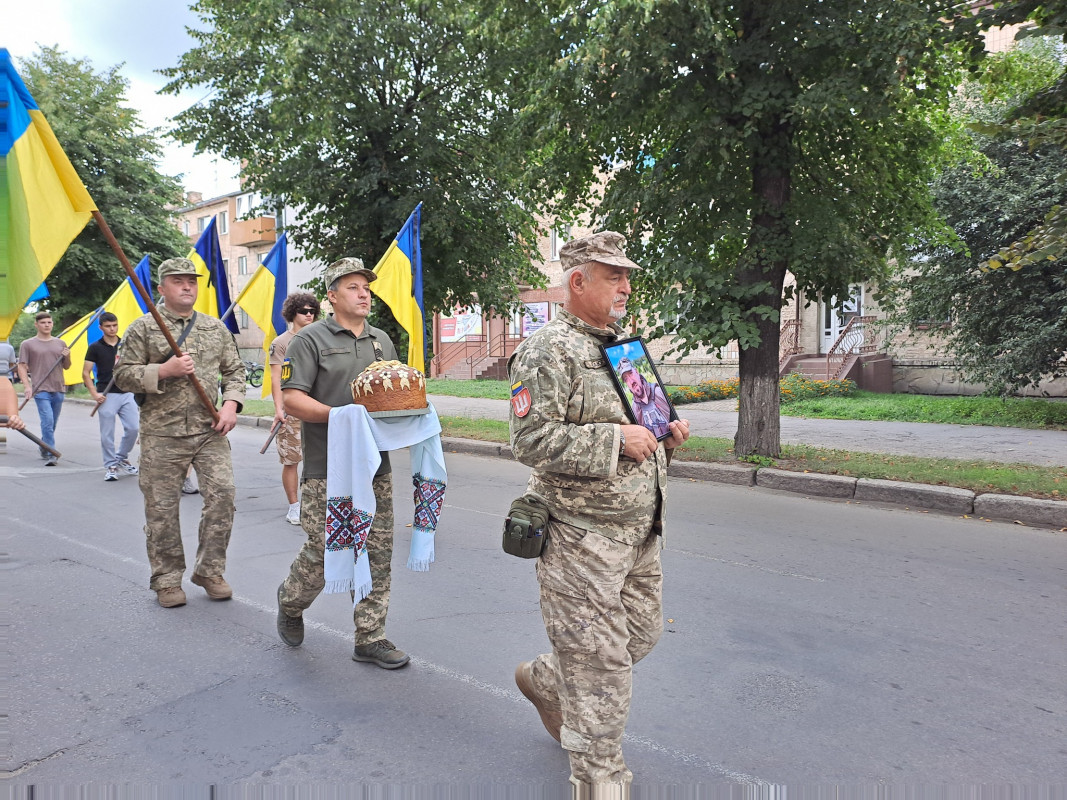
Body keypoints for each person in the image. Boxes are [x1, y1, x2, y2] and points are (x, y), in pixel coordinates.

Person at [507, 231, 691, 793]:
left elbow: (640, 421)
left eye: (626, 276)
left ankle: (545, 677)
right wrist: (614, 441)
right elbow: (529, 439)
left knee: (639, 636)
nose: (626, 287)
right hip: (578, 537)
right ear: (578, 281)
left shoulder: (620, 346)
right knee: (599, 668)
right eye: (614, 276)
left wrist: (666, 431)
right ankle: (600, 779)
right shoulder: (546, 350)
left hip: (639, 532)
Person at [275, 257, 409, 669]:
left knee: (376, 551)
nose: (364, 293)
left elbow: (389, 392)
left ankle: (370, 637)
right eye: (352, 287)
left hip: (374, 467)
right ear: (332, 296)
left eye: (366, 286)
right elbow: (293, 397)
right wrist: (340, 416)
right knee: (325, 548)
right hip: (326, 467)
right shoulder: (309, 340)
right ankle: (291, 601)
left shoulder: (381, 340)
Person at [114, 258, 245, 609]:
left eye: (191, 281)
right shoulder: (143, 328)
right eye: (178, 281)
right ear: (162, 288)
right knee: (162, 509)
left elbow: (235, 372)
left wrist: (231, 405)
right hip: (162, 433)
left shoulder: (214, 328)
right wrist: (164, 369)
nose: (187, 286)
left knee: (223, 495)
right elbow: (123, 375)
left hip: (208, 429)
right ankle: (167, 578)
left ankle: (210, 570)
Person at [268, 291, 321, 525]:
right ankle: (294, 506)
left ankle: (319, 503)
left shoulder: (321, 338)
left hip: (318, 407)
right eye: (304, 311)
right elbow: (275, 378)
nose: (309, 315)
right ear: (292, 313)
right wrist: (279, 409)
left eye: (312, 311)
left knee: (321, 458)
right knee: (291, 459)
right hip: (292, 409)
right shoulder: (281, 343)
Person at [83, 312, 141, 481]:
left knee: (133, 428)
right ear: (101, 328)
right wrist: (95, 394)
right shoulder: (95, 347)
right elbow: (86, 373)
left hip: (127, 392)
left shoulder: (125, 345)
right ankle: (111, 465)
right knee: (107, 434)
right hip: (106, 394)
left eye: (114, 325)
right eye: (108, 326)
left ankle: (121, 457)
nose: (112, 329)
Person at [17, 311, 71, 466]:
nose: (47, 325)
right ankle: (51, 453)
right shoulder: (27, 344)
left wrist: (67, 356)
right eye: (43, 322)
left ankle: (43, 445)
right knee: (47, 420)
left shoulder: (60, 343)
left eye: (49, 322)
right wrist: (27, 386)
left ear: (52, 324)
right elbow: (21, 366)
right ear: (36, 324)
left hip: (59, 387)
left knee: (52, 422)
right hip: (40, 389)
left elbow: (66, 366)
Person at [616, 357, 671, 439]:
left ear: (637, 372)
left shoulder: (658, 392)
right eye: (626, 379)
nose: (631, 381)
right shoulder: (634, 408)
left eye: (630, 373)